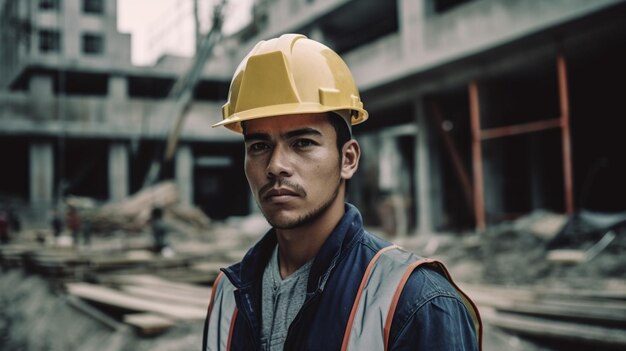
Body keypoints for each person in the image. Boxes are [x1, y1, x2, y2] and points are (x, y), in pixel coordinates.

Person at [203, 34, 481, 351]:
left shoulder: (416, 301)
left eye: (302, 143)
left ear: (347, 159)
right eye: (259, 146)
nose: (276, 165)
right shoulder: (228, 295)